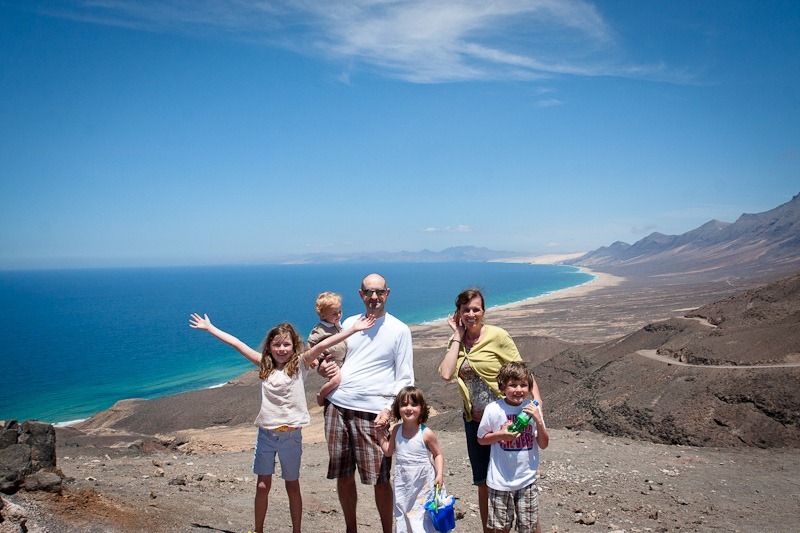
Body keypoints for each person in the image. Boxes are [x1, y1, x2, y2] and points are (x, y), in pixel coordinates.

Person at [188, 312, 374, 533]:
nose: (282, 349)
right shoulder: (263, 364)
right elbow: (237, 343)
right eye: (277, 345)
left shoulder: (300, 364)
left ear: (294, 347)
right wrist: (210, 328)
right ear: (269, 347)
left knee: (292, 486)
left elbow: (324, 344)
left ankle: (297, 530)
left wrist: (352, 329)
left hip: (291, 438)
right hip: (266, 436)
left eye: (286, 344)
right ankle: (258, 530)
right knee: (262, 486)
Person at [438, 288, 542, 533]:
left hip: (506, 420)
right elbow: (446, 373)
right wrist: (457, 335)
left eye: (476, 309)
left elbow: (522, 371)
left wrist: (537, 405)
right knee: (484, 483)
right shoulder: (456, 342)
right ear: (458, 313)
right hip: (475, 422)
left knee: (519, 482)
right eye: (466, 310)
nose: (471, 314)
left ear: (484, 312)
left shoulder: (498, 336)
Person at [317, 273, 415, 533]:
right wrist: (322, 367)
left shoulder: (399, 330)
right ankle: (351, 529)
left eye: (379, 292)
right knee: (343, 475)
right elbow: (333, 358)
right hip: (337, 406)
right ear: (360, 295)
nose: (374, 297)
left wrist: (388, 410)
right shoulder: (349, 323)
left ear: (387, 293)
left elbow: (405, 377)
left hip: (373, 412)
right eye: (369, 292)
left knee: (380, 478)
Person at [477, 361, 549, 533]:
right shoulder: (493, 409)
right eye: (513, 385)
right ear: (502, 388)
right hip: (500, 481)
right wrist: (502, 435)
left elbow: (544, 444)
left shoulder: (532, 409)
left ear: (529, 388)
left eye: (523, 385)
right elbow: (481, 439)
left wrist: (539, 421)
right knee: (501, 528)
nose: (518, 390)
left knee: (529, 527)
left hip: (526, 480)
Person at [378, 386, 444, 533]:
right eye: (404, 405)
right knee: (402, 513)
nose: (409, 408)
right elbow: (388, 451)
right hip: (403, 482)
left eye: (414, 404)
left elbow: (438, 454)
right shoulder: (397, 430)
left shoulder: (426, 433)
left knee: (420, 515)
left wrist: (439, 474)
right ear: (398, 408)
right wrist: (380, 434)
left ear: (421, 408)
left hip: (423, 482)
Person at [307, 292, 347, 406]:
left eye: (340, 311)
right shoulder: (320, 330)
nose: (338, 315)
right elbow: (309, 344)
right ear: (323, 315)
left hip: (340, 361)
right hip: (331, 361)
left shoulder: (338, 325)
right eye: (334, 313)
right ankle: (321, 394)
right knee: (336, 380)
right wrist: (313, 359)